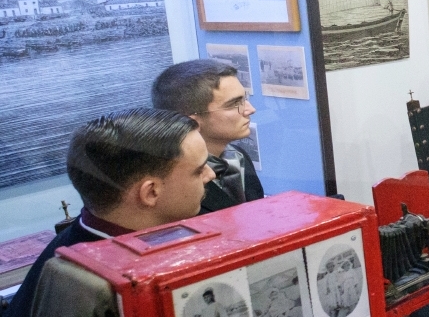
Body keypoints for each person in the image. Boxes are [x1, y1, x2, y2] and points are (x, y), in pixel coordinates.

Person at [3, 108, 214, 317]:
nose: (211, 174)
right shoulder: (98, 293)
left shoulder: (81, 238)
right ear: (150, 192)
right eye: (199, 170)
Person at [151, 59, 264, 214]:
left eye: (244, 99)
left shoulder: (238, 157)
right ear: (192, 122)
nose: (250, 110)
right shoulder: (174, 181)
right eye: (234, 104)